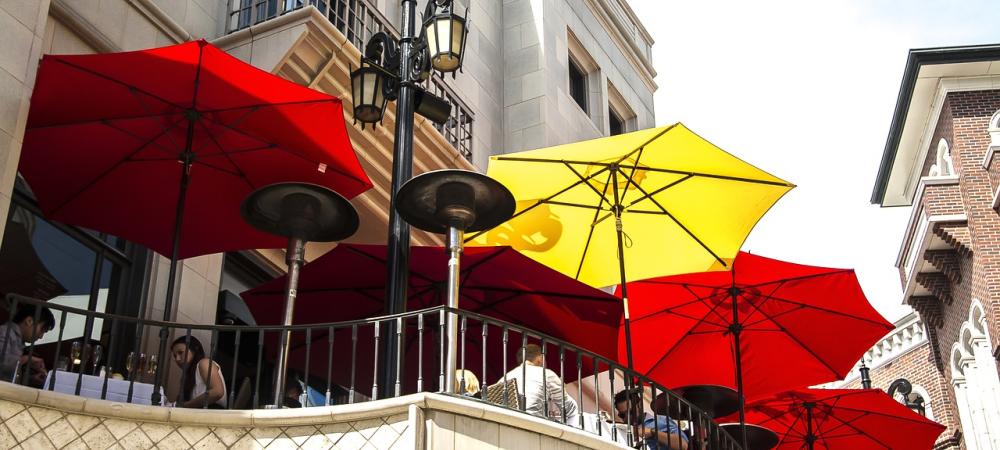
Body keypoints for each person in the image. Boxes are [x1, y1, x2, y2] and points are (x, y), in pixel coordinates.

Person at [497, 344, 579, 423]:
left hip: (505, 423)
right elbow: (570, 409)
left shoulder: (504, 378)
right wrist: (563, 389)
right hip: (533, 423)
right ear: (540, 358)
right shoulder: (546, 374)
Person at [614, 389, 689, 450]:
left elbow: (683, 445)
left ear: (639, 405)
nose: (627, 417)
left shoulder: (661, 421)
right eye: (622, 415)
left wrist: (652, 432)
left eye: (631, 412)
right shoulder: (620, 429)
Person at [0, 304, 54, 386]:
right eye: (42, 330)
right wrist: (27, 359)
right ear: (29, 321)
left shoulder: (18, 340)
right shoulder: (5, 332)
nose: (41, 336)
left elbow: (8, 375)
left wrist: (30, 379)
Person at [170, 336, 227, 408]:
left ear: (194, 350)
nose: (177, 359)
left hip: (213, 411)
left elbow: (218, 392)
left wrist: (186, 405)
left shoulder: (204, 363)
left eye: (181, 352)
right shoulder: (188, 376)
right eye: (175, 356)